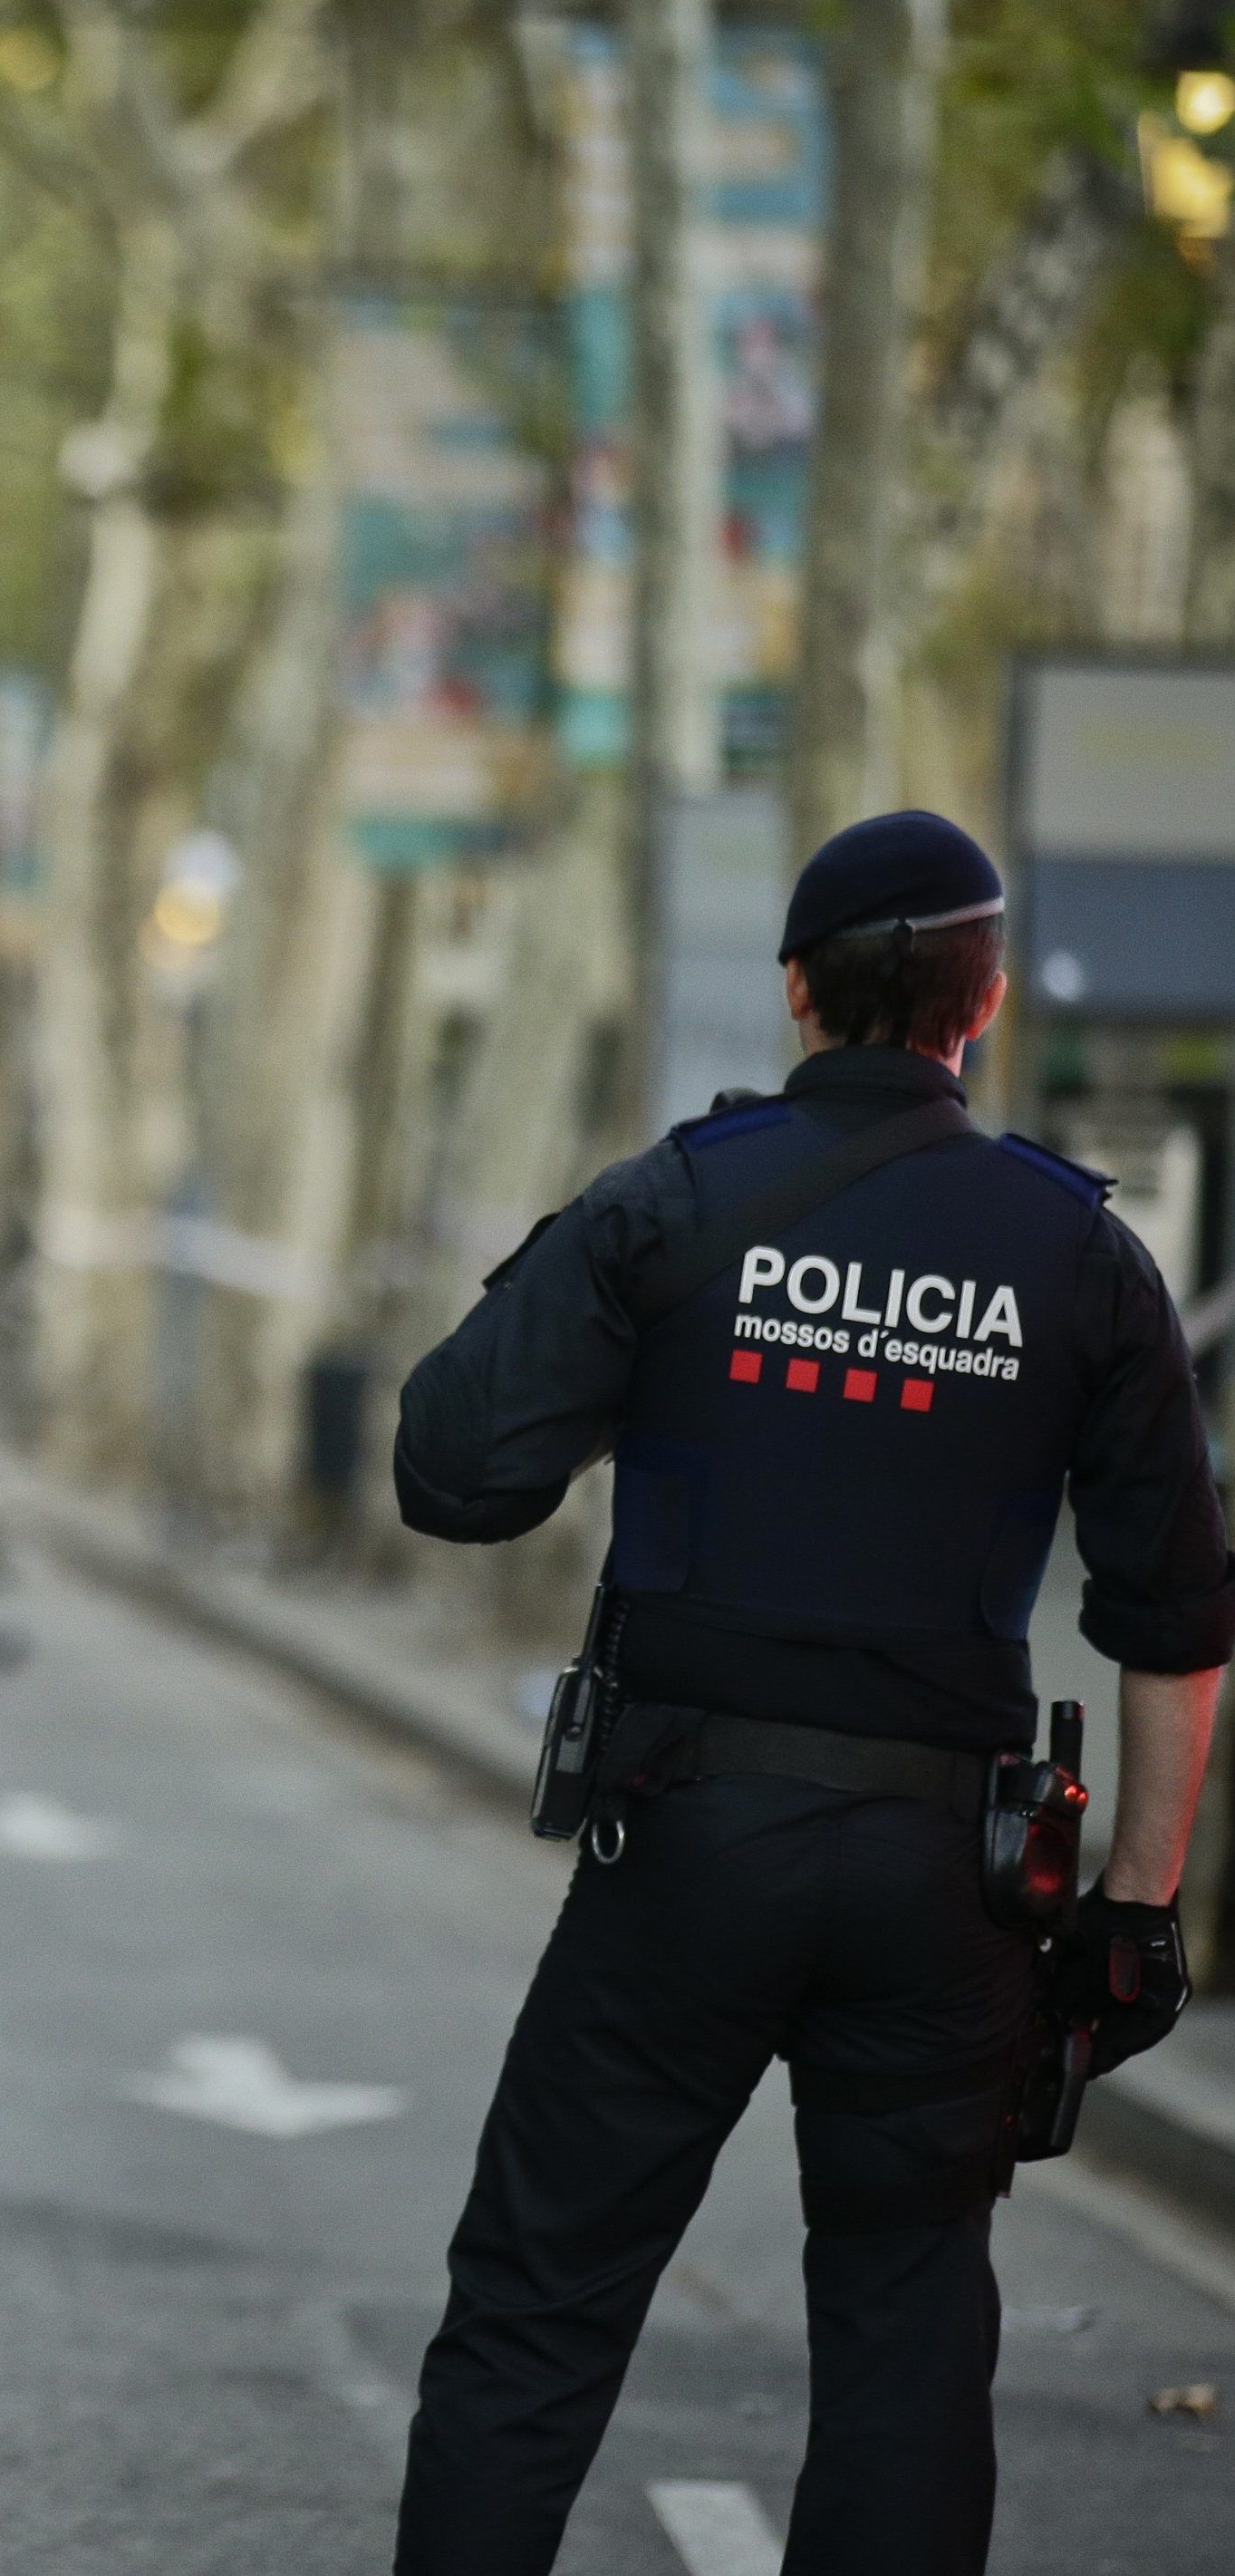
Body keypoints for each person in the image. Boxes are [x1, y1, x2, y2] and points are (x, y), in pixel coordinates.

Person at [388, 810, 1230, 2575]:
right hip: (946, 1878)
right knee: (906, 2334)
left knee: (536, 2307)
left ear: (793, 990)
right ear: (980, 1000)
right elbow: (1172, 1617)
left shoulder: (676, 1201)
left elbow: (453, 1470)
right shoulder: (1077, 1255)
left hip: (682, 1844)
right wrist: (1136, 1908)